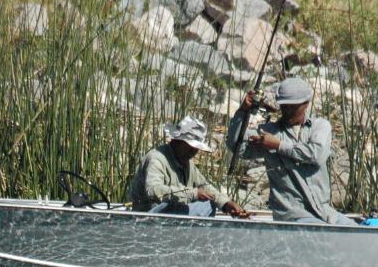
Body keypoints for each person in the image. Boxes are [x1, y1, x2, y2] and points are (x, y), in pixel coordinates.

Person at [226, 76, 355, 225]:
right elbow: (237, 147)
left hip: (324, 211)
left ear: (306, 104)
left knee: (358, 233)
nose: (287, 111)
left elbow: (316, 154)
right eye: (284, 106)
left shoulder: (320, 126)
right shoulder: (268, 132)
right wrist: (242, 112)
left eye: (293, 107)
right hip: (291, 214)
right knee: (319, 230)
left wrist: (278, 145)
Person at [128, 116, 250, 218]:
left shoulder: (187, 162)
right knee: (204, 206)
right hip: (147, 216)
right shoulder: (156, 158)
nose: (193, 152)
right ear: (176, 141)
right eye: (189, 147)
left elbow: (204, 185)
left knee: (210, 203)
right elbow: (154, 190)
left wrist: (225, 203)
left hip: (170, 213)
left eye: (196, 149)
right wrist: (193, 194)